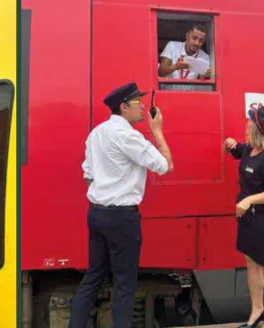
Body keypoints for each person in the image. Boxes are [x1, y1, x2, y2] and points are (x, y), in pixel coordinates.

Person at [68, 82, 174, 328]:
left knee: (93, 277)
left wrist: (104, 195)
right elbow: (165, 165)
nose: (143, 107)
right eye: (138, 103)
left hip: (97, 214)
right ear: (124, 107)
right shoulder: (128, 136)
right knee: (125, 284)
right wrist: (157, 130)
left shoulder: (97, 133)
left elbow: (88, 175)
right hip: (122, 219)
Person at [224, 106, 264, 328]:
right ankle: (257, 311)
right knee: (251, 263)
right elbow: (236, 151)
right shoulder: (249, 149)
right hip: (248, 220)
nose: (246, 123)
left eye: (249, 121)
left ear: (256, 129)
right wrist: (229, 145)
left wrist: (249, 199)